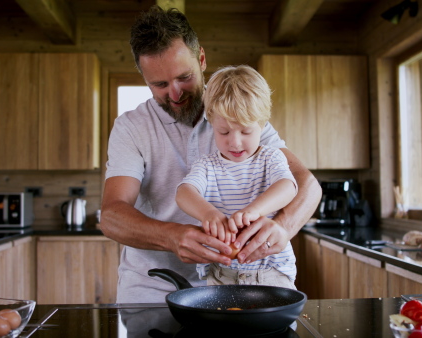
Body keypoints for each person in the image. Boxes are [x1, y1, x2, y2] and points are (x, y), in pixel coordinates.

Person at [100, 5, 321, 303]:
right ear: (145, 79)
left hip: (235, 285)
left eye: (184, 77)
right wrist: (172, 236)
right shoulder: (130, 128)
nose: (175, 94)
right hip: (151, 290)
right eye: (160, 85)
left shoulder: (237, 117)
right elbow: (112, 216)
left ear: (201, 59)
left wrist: (282, 227)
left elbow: (306, 185)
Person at [176, 65, 298, 288]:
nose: (235, 142)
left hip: (270, 274)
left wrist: (254, 210)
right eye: (224, 132)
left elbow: (287, 186)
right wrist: (208, 213)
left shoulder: (270, 158)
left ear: (262, 125)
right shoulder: (207, 165)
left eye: (245, 131)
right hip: (221, 275)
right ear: (212, 123)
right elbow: (184, 193)